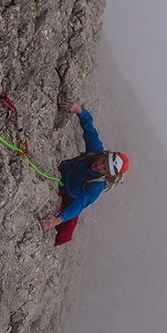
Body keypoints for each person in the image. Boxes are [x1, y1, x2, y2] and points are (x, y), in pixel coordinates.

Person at [40, 100, 130, 245]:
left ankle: (48, 247)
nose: (99, 166)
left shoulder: (96, 186)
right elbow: (89, 130)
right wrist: (79, 110)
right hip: (59, 176)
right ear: (104, 155)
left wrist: (58, 220)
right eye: (103, 161)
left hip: (69, 197)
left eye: (105, 169)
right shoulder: (95, 151)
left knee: (64, 237)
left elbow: (80, 204)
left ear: (108, 175)